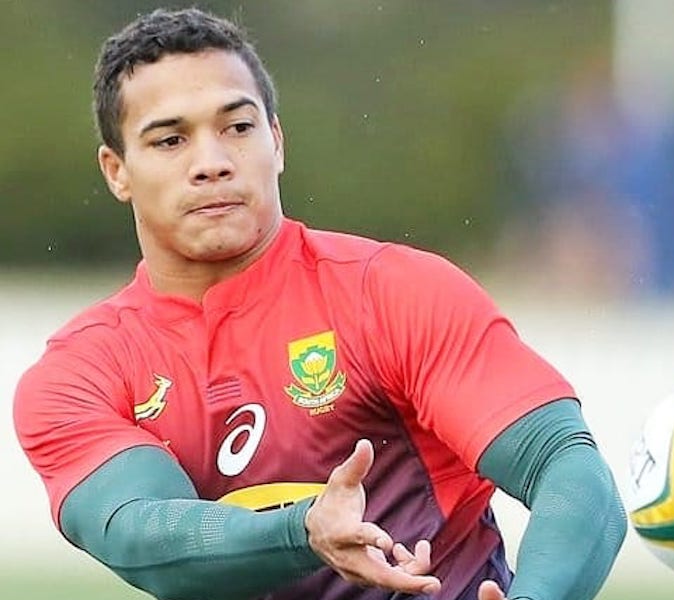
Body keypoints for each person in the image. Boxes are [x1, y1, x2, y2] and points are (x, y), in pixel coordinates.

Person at [13, 8, 626, 600]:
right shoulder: (79, 374)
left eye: (238, 127)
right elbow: (145, 534)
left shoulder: (394, 294)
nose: (213, 163)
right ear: (116, 171)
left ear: (277, 142)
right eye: (170, 140)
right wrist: (302, 531)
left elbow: (573, 476)